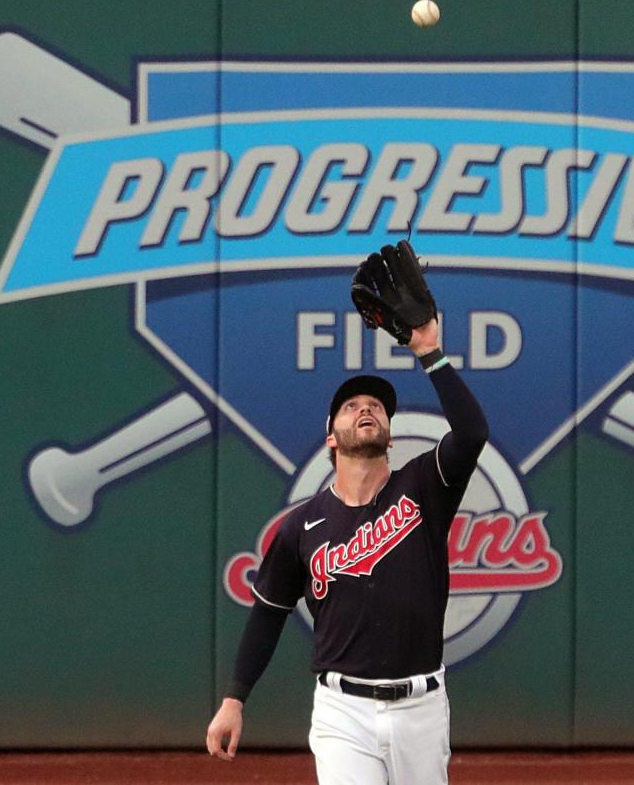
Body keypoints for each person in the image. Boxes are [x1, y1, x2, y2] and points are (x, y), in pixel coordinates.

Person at [206, 244, 488, 785]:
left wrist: (429, 350)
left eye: (377, 405)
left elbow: (472, 433)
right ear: (331, 436)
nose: (367, 408)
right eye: (352, 405)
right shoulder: (302, 527)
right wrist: (233, 699)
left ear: (389, 432)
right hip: (342, 711)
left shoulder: (424, 487)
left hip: (421, 709)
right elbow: (268, 613)